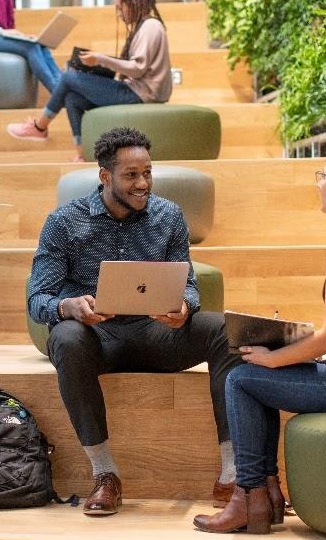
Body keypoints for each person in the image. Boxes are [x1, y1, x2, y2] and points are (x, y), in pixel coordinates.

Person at [194, 141, 326, 535]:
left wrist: (275, 358)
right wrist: (289, 342)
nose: (319, 185)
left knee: (241, 379)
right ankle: (267, 494)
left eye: (323, 177)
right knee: (256, 377)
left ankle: (250, 496)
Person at [27, 127, 238, 516]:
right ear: (105, 176)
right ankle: (105, 474)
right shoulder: (64, 222)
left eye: (147, 173)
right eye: (131, 175)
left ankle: (232, 475)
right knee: (67, 338)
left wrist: (184, 308)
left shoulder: (169, 216)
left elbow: (188, 284)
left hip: (156, 333)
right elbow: (38, 299)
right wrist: (69, 307)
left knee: (223, 329)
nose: (142, 184)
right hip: (96, 338)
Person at [7, 0, 170, 161]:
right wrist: (99, 64)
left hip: (140, 94)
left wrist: (102, 59)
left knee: (69, 77)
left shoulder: (150, 26)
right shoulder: (145, 26)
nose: (119, 13)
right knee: (72, 98)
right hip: (135, 90)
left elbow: (137, 68)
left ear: (133, 3)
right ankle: (82, 153)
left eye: (120, 7)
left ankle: (39, 127)